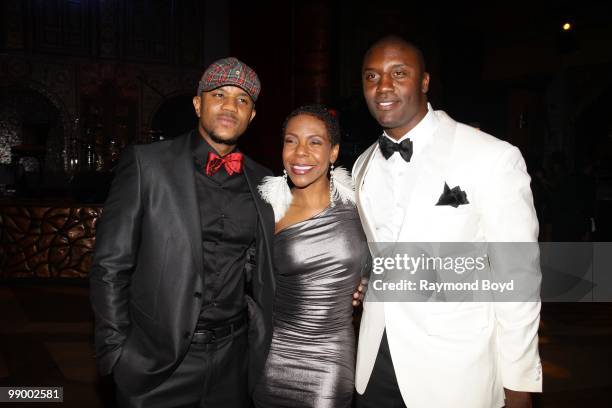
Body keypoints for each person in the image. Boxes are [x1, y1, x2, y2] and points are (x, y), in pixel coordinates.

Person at [353, 36, 542, 408]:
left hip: (455, 370)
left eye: (399, 73)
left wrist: (518, 380)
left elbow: (518, 276)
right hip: (375, 362)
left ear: (425, 82)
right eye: (371, 76)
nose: (383, 86)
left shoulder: (492, 157)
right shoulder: (363, 165)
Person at [89, 57, 276, 407]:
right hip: (158, 363)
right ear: (197, 103)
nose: (229, 106)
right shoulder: (148, 165)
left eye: (242, 100)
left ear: (251, 116)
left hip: (233, 363)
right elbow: (110, 266)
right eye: (219, 94)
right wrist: (115, 352)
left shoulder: (266, 182)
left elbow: (273, 260)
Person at [253, 105, 371, 408]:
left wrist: (371, 283)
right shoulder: (266, 208)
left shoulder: (359, 202)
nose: (300, 153)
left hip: (330, 358)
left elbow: (390, 250)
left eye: (314, 142)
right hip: (273, 355)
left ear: (333, 152)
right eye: (291, 141)